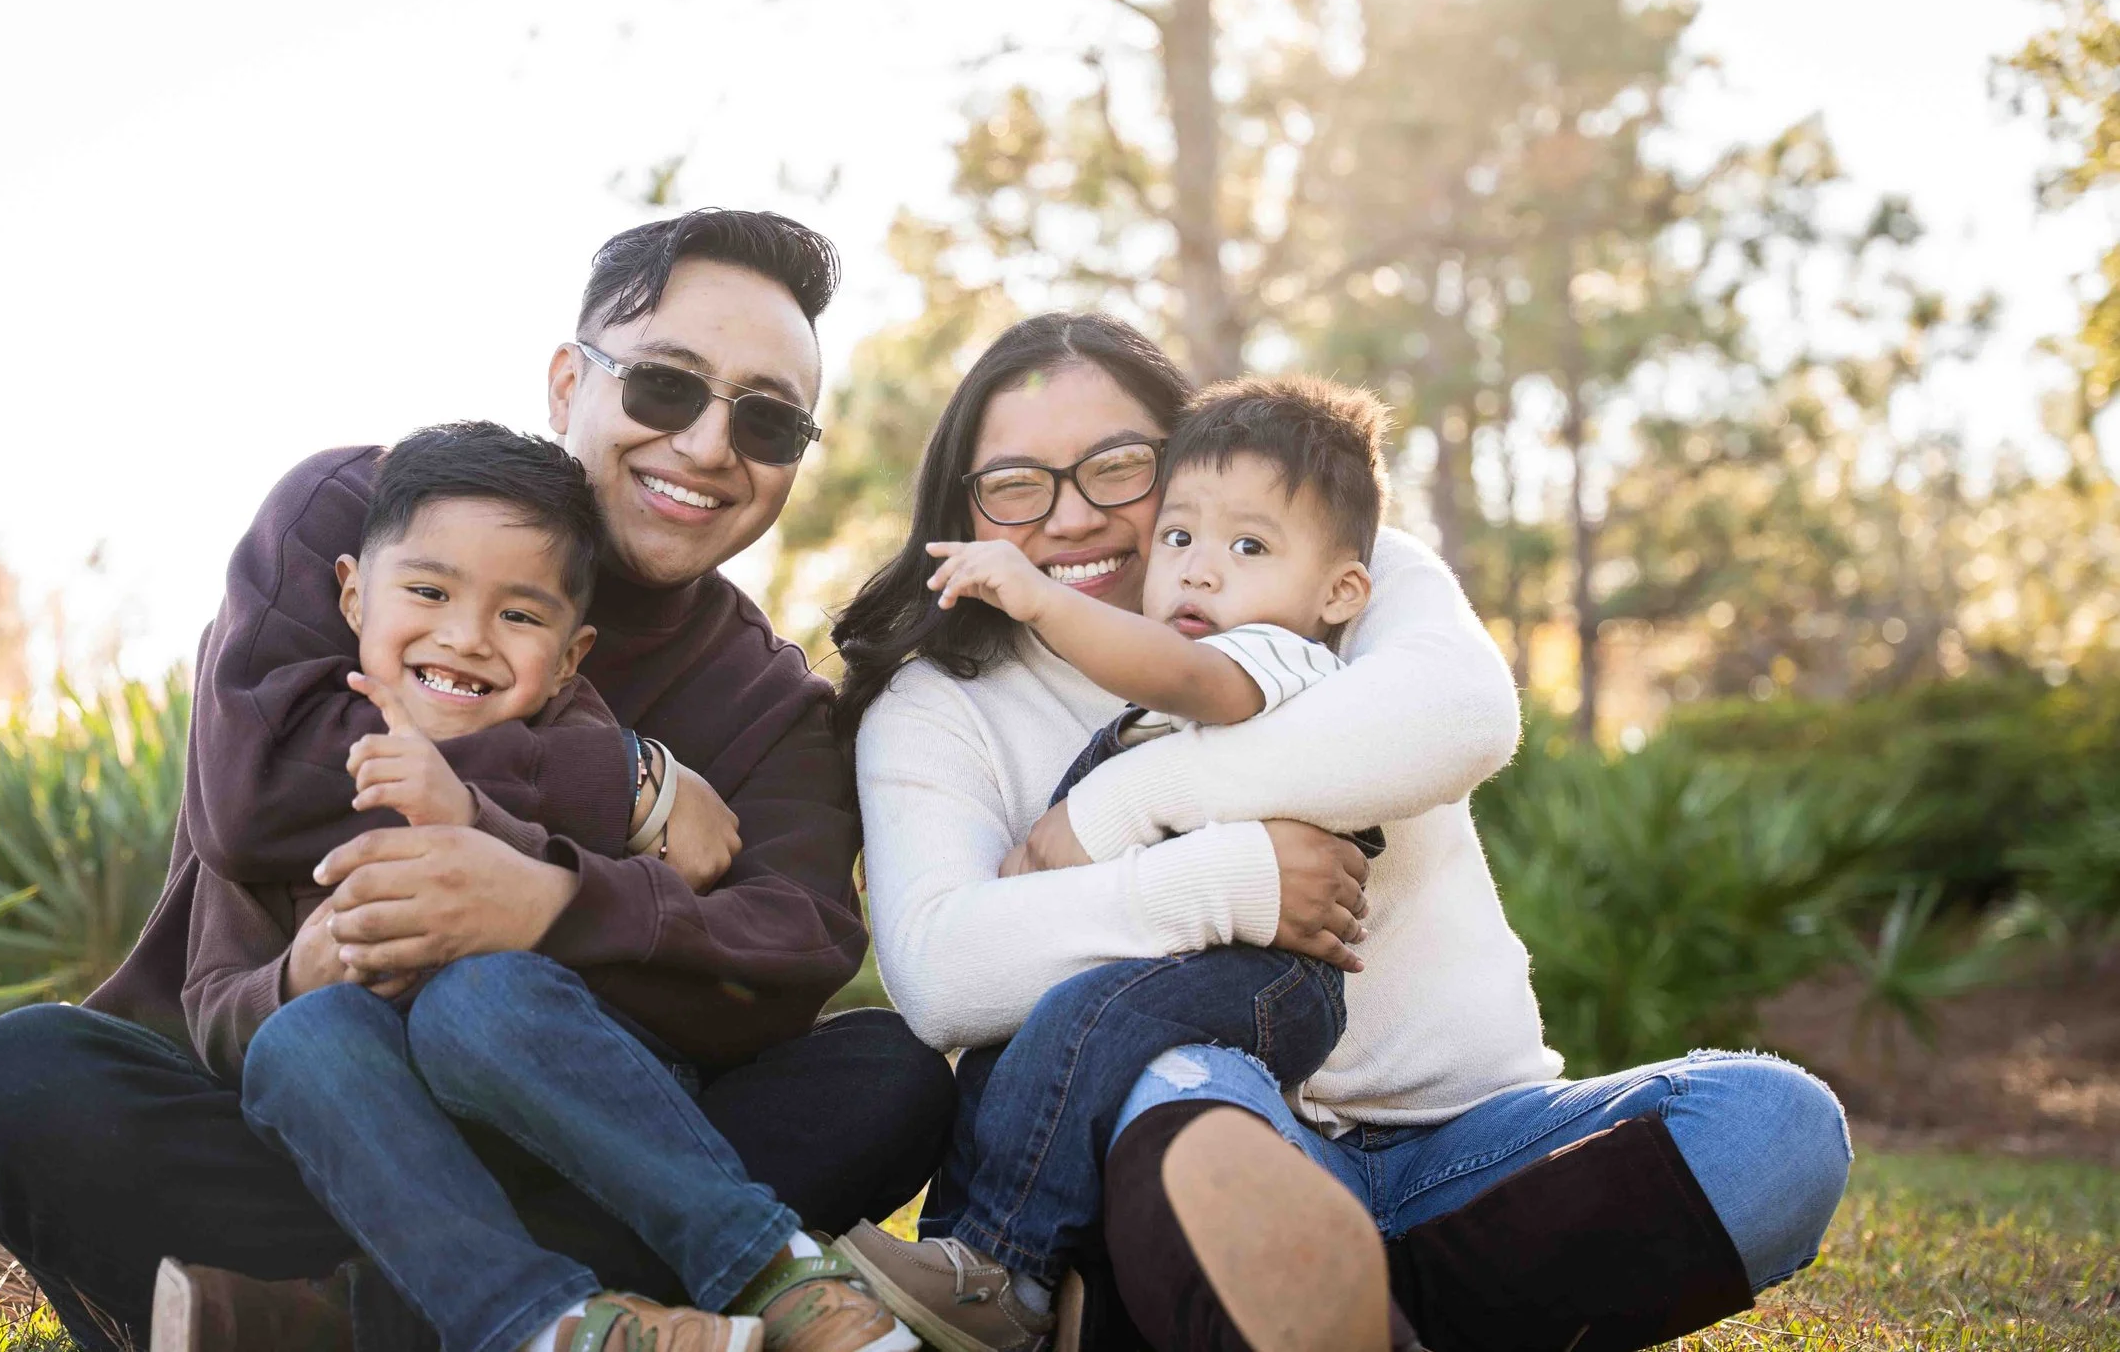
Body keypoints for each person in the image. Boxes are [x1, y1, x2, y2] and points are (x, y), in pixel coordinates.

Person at [0, 210, 957, 1352]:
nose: (711, 447)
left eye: (766, 419)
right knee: (22, 1080)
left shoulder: (769, 701)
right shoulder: (366, 514)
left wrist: (555, 905)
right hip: (292, 1118)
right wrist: (614, 782)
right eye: (668, 388)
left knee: (886, 1076)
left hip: (590, 1142)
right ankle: (493, 1310)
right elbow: (266, 787)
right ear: (570, 380)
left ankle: (336, 1324)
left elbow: (792, 952)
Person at [834, 313, 1854, 1352]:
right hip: (1223, 1128)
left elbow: (1463, 718)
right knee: (1165, 1083)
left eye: (1117, 467)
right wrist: (1235, 878)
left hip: (1469, 1149)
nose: (1070, 517)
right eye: (1015, 485)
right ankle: (1301, 1291)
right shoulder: (935, 705)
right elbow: (939, 971)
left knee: (1773, 1131)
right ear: (962, 509)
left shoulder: (1320, 569)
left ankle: (1309, 1307)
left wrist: (1120, 807)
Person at [174, 419, 914, 1352]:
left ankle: (768, 1262)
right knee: (299, 1040)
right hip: (374, 1146)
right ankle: (550, 1324)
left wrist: (479, 822)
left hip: (558, 1100)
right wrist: (294, 978)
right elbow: (213, 999)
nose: (467, 638)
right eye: (429, 591)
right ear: (354, 595)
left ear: (571, 653)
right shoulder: (303, 731)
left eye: (519, 616)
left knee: (480, 997)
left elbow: (713, 915)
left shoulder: (582, 741)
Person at [835, 378, 1401, 1350]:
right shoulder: (986, 705)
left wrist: (1042, 597)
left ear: (1338, 590)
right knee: (1014, 1045)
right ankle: (963, 1266)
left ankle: (1004, 1271)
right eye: (1179, 540)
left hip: (1275, 979)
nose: (1199, 574)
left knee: (1082, 1014)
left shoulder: (1280, 657)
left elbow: (1182, 678)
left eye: (1248, 548)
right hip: (1196, 961)